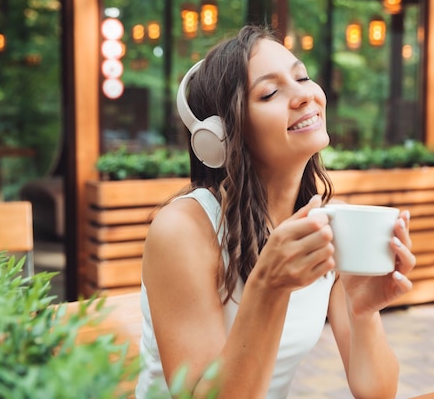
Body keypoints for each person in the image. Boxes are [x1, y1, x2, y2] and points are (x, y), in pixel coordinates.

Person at [136, 24, 416, 399]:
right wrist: (268, 286)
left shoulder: (330, 224)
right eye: (269, 92)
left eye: (301, 76)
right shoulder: (184, 230)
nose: (303, 95)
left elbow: (377, 394)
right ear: (220, 136)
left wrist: (362, 313)